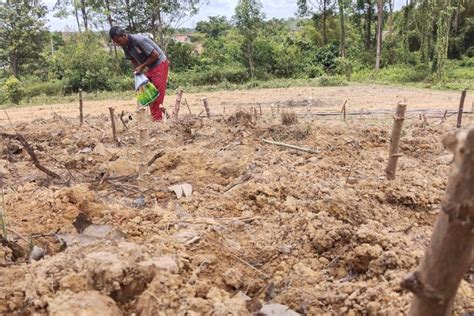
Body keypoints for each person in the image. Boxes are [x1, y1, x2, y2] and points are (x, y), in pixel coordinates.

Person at [109, 26, 169, 121]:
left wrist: (142, 66)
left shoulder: (138, 41)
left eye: (119, 41)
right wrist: (139, 71)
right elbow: (132, 59)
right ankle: (157, 116)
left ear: (124, 35)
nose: (119, 44)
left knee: (156, 94)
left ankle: (157, 121)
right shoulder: (125, 46)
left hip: (159, 64)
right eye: (116, 43)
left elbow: (155, 55)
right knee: (147, 92)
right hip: (149, 67)